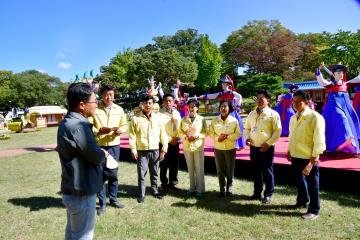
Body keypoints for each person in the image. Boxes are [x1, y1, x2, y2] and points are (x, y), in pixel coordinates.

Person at [57, 82, 107, 239]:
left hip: (73, 188)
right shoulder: (78, 125)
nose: (96, 104)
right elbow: (95, 155)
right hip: (82, 191)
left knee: (72, 233)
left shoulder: (67, 122)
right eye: (94, 102)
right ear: (81, 105)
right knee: (83, 235)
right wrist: (103, 154)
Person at [287, 90, 326, 220]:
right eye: (294, 101)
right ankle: (302, 201)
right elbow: (291, 136)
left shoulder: (315, 117)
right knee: (299, 180)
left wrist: (314, 157)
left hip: (309, 156)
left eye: (299, 101)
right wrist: (289, 150)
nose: (295, 104)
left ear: (307, 101)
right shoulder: (293, 117)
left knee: (312, 184)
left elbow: (319, 138)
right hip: (296, 154)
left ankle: (314, 210)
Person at [90, 84, 127, 216]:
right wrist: (98, 130)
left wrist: (120, 130)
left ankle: (113, 199)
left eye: (111, 94)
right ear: (102, 95)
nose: (109, 97)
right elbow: (89, 126)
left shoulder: (119, 109)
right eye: (106, 94)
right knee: (99, 175)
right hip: (99, 146)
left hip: (114, 146)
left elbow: (124, 124)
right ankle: (102, 204)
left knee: (113, 174)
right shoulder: (95, 109)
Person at [244, 90, 282, 204]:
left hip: (267, 148)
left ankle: (268, 194)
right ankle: (257, 193)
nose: (259, 100)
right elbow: (247, 129)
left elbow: (277, 131)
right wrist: (246, 138)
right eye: (258, 98)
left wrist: (269, 143)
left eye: (262, 98)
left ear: (268, 100)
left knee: (267, 171)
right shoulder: (251, 114)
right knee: (256, 171)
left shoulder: (273, 114)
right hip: (254, 147)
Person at [129, 95, 168, 203]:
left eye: (150, 103)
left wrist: (164, 148)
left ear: (153, 104)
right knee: (142, 174)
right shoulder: (135, 118)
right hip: (142, 151)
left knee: (154, 172)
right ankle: (141, 194)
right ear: (142, 104)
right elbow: (132, 136)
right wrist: (133, 150)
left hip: (155, 149)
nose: (148, 105)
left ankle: (155, 190)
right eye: (145, 103)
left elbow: (163, 134)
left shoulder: (158, 118)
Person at [316, 63, 360, 154]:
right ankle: (348, 137)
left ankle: (346, 144)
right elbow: (322, 81)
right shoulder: (330, 84)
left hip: (346, 107)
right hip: (334, 108)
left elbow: (358, 78)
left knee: (350, 120)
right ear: (334, 74)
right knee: (342, 118)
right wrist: (318, 71)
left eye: (342, 73)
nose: (341, 74)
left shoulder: (346, 84)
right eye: (339, 73)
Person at [200, 75, 245, 149]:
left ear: (227, 84)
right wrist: (204, 96)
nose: (222, 85)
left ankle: (235, 144)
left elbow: (239, 97)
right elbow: (213, 96)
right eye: (222, 84)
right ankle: (221, 140)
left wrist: (237, 106)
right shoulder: (221, 93)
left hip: (231, 113)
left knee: (234, 128)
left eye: (223, 83)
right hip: (223, 112)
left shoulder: (231, 92)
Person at [209, 100, 241, 197]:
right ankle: (222, 189)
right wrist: (217, 138)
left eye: (225, 106)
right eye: (221, 106)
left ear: (229, 108)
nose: (223, 108)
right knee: (220, 170)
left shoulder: (234, 120)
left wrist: (228, 136)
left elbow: (238, 134)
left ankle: (229, 189)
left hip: (230, 148)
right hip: (218, 148)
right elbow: (211, 132)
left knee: (230, 169)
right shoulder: (214, 120)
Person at [179, 99, 207, 197]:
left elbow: (205, 132)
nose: (192, 108)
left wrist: (197, 135)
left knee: (199, 169)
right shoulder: (183, 120)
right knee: (190, 169)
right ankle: (192, 188)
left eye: (194, 106)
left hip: (198, 147)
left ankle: (200, 189)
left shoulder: (202, 119)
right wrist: (186, 137)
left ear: (197, 108)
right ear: (187, 107)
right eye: (190, 106)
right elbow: (180, 132)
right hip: (187, 147)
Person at [159, 93, 182, 191]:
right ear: (163, 102)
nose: (168, 103)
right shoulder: (159, 114)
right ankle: (164, 184)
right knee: (164, 163)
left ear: (173, 102)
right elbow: (160, 130)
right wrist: (169, 139)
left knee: (174, 163)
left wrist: (177, 138)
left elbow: (180, 127)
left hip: (175, 141)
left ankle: (173, 183)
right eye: (166, 101)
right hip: (164, 142)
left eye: (170, 101)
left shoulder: (176, 112)